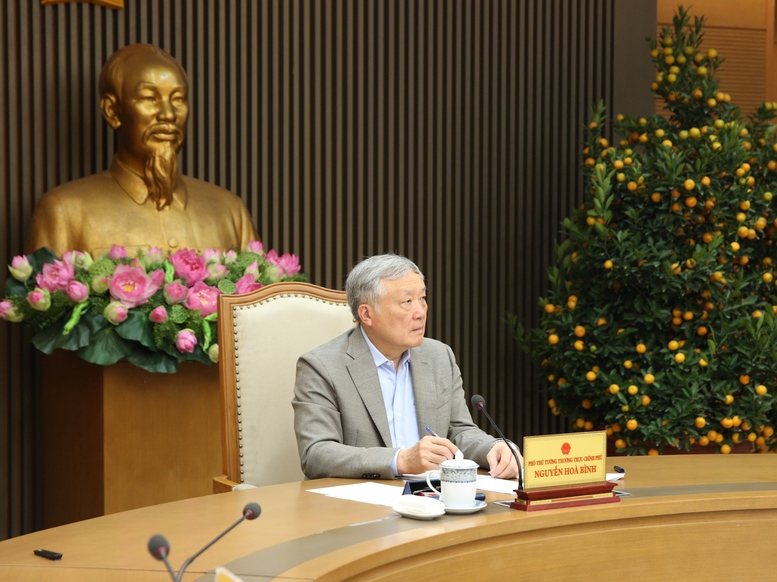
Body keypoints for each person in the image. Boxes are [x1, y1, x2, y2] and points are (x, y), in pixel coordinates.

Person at [292, 254, 521, 480]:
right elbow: (316, 454)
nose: (421, 312)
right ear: (366, 314)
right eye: (407, 302)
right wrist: (400, 460)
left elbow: (459, 431)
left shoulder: (439, 356)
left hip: (434, 493)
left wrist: (495, 447)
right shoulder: (322, 367)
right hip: (363, 497)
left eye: (422, 298)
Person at [27, 43, 257, 258]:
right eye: (149, 98)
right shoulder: (65, 211)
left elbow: (265, 288)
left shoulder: (229, 210)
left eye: (178, 99)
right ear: (112, 111)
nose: (168, 114)